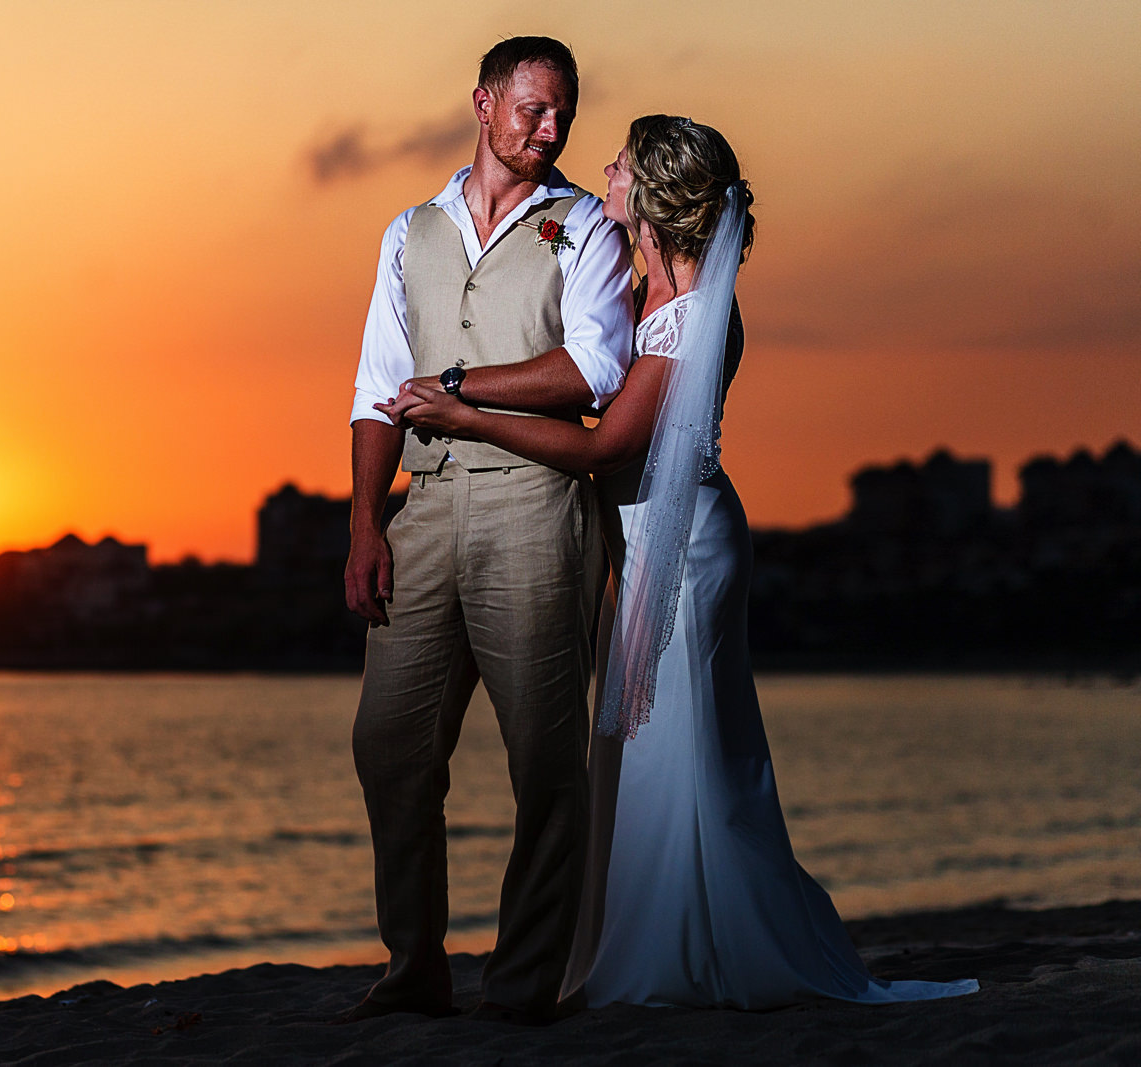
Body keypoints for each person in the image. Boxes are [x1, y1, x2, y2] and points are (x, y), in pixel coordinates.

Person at [380, 115, 979, 1009]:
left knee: (689, 751)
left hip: (687, 545)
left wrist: (465, 411)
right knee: (651, 750)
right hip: (652, 536)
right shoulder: (645, 287)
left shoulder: (690, 316)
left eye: (620, 163)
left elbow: (602, 445)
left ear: (654, 196)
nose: (605, 172)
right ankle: (667, 940)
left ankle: (695, 952)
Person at [343, 37, 635, 1024]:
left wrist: (466, 387)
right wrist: (363, 527)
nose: (550, 129)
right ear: (482, 102)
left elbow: (594, 369)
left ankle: (520, 985)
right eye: (532, 109)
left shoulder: (585, 225)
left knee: (543, 761)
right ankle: (414, 967)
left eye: (563, 114)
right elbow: (377, 389)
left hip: (536, 511)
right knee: (388, 744)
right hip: (421, 510)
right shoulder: (409, 230)